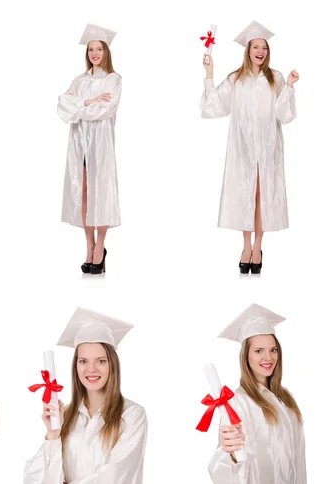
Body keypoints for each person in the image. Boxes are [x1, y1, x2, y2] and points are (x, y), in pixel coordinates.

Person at [200, 21, 299, 274]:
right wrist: (209, 74)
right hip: (242, 147)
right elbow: (214, 107)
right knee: (246, 194)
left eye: (264, 47)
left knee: (261, 195)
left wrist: (289, 85)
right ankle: (246, 246)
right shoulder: (236, 79)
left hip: (268, 147)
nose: (260, 51)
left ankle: (258, 247)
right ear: (248, 50)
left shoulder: (274, 77)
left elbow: (283, 114)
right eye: (255, 46)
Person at [24, 307, 147, 483]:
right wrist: (53, 435)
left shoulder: (132, 415)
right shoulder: (66, 415)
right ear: (76, 366)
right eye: (83, 361)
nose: (91, 369)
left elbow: (116, 475)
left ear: (112, 365)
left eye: (101, 361)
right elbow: (41, 478)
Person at [209, 303, 306, 483]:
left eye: (273, 350)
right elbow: (227, 471)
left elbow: (299, 461)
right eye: (258, 351)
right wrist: (230, 452)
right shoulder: (238, 403)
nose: (268, 358)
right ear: (246, 356)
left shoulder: (287, 400)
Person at [57, 24, 123, 274]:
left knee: (100, 192)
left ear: (106, 52)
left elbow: (105, 110)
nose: (95, 53)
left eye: (99, 49)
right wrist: (87, 101)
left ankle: (101, 247)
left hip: (100, 144)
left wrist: (80, 108)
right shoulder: (79, 80)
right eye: (91, 49)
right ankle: (89, 245)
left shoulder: (113, 80)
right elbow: (62, 104)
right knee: (83, 192)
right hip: (79, 144)